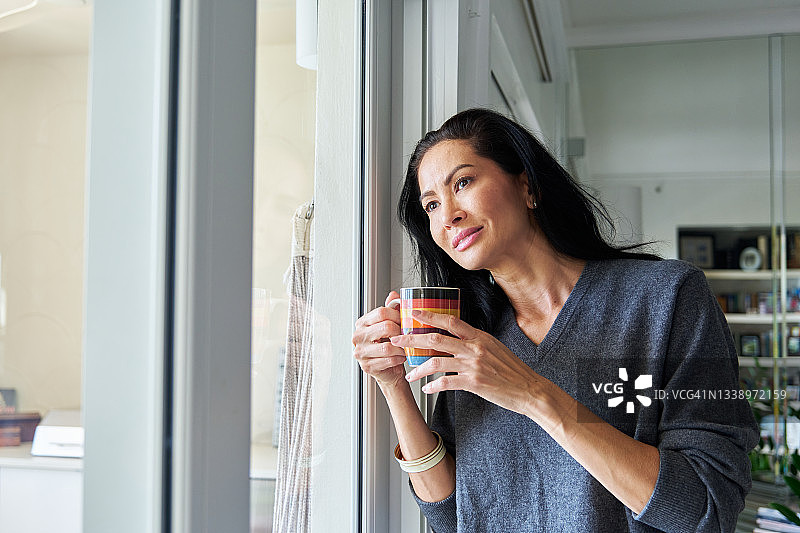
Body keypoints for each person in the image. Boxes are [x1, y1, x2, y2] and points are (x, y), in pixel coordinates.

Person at [352, 108, 759, 532]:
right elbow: (451, 517)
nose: (447, 214)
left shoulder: (667, 298)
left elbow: (707, 508)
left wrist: (532, 393)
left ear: (527, 185)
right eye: (431, 204)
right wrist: (394, 385)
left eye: (463, 182)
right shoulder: (472, 335)